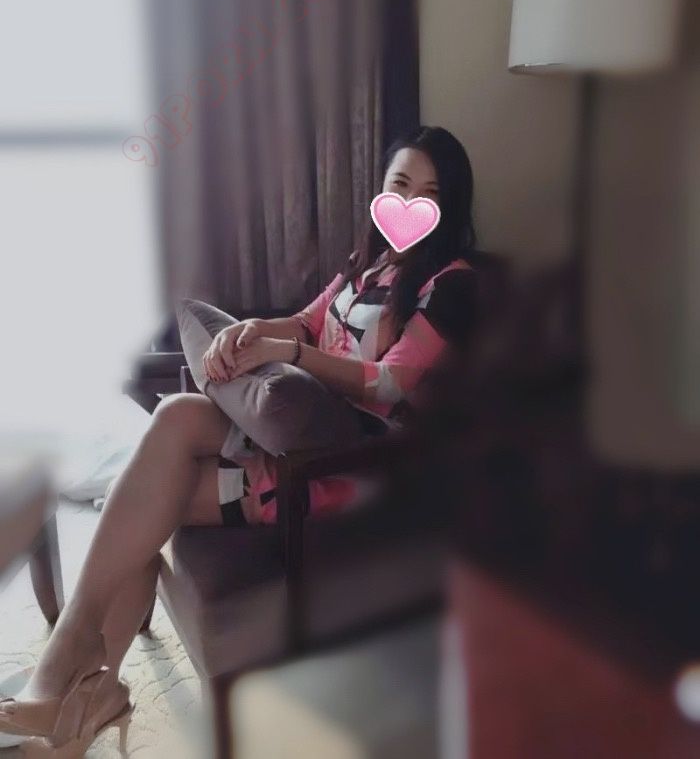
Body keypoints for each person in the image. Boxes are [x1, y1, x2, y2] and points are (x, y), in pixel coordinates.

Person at [0, 125, 478, 754]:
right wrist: (251, 331)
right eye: (400, 184)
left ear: (450, 204)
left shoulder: (453, 284)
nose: (410, 201)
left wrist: (290, 354)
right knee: (175, 418)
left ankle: (74, 681)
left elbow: (390, 383)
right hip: (303, 434)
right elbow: (306, 321)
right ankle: (84, 679)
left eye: (429, 193)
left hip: (349, 466)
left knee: (145, 502)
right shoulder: (372, 260)